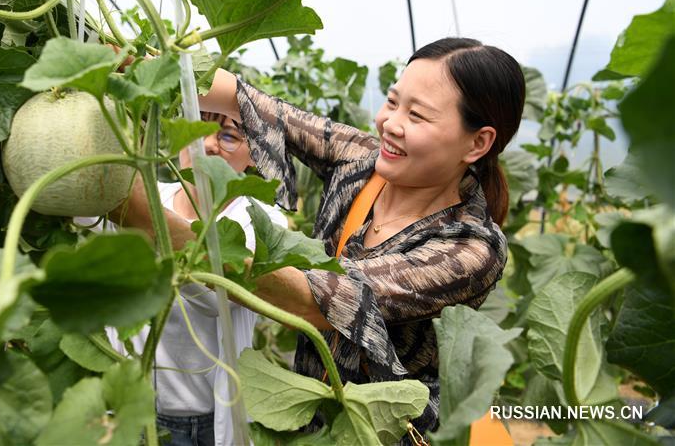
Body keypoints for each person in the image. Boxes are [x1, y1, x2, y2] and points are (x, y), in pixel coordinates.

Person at [115, 38, 526, 440]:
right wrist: (136, 62)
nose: (390, 123)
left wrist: (140, 212)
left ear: (478, 142)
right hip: (312, 421)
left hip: (380, 434)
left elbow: (319, 300)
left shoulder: (471, 249)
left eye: (417, 116)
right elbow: (255, 103)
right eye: (393, 101)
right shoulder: (364, 159)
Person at [98, 112, 288, 446]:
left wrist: (139, 215)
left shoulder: (264, 220)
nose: (211, 144)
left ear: (254, 155)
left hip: (207, 424)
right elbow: (83, 209)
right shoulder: (146, 193)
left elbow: (215, 299)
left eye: (230, 136)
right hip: (131, 411)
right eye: (200, 128)